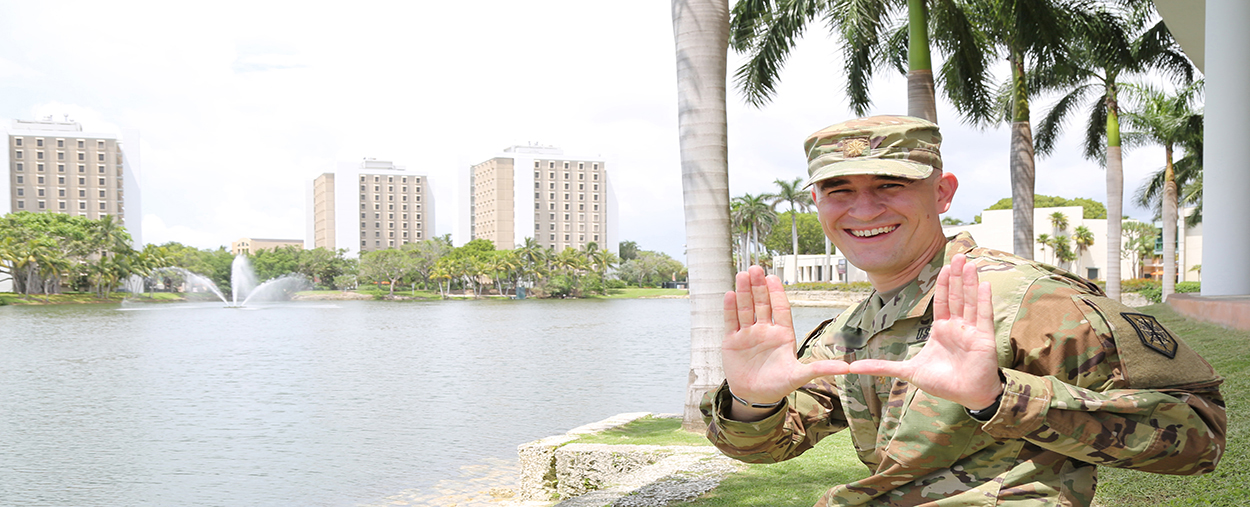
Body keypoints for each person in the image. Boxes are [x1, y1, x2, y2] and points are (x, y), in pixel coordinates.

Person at [700, 115, 1226, 506]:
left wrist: (998, 398)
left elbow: (1201, 438)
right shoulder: (853, 327)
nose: (864, 209)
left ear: (943, 192)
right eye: (840, 191)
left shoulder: (1030, 300)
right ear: (817, 203)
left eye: (890, 185)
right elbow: (769, 446)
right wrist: (751, 402)